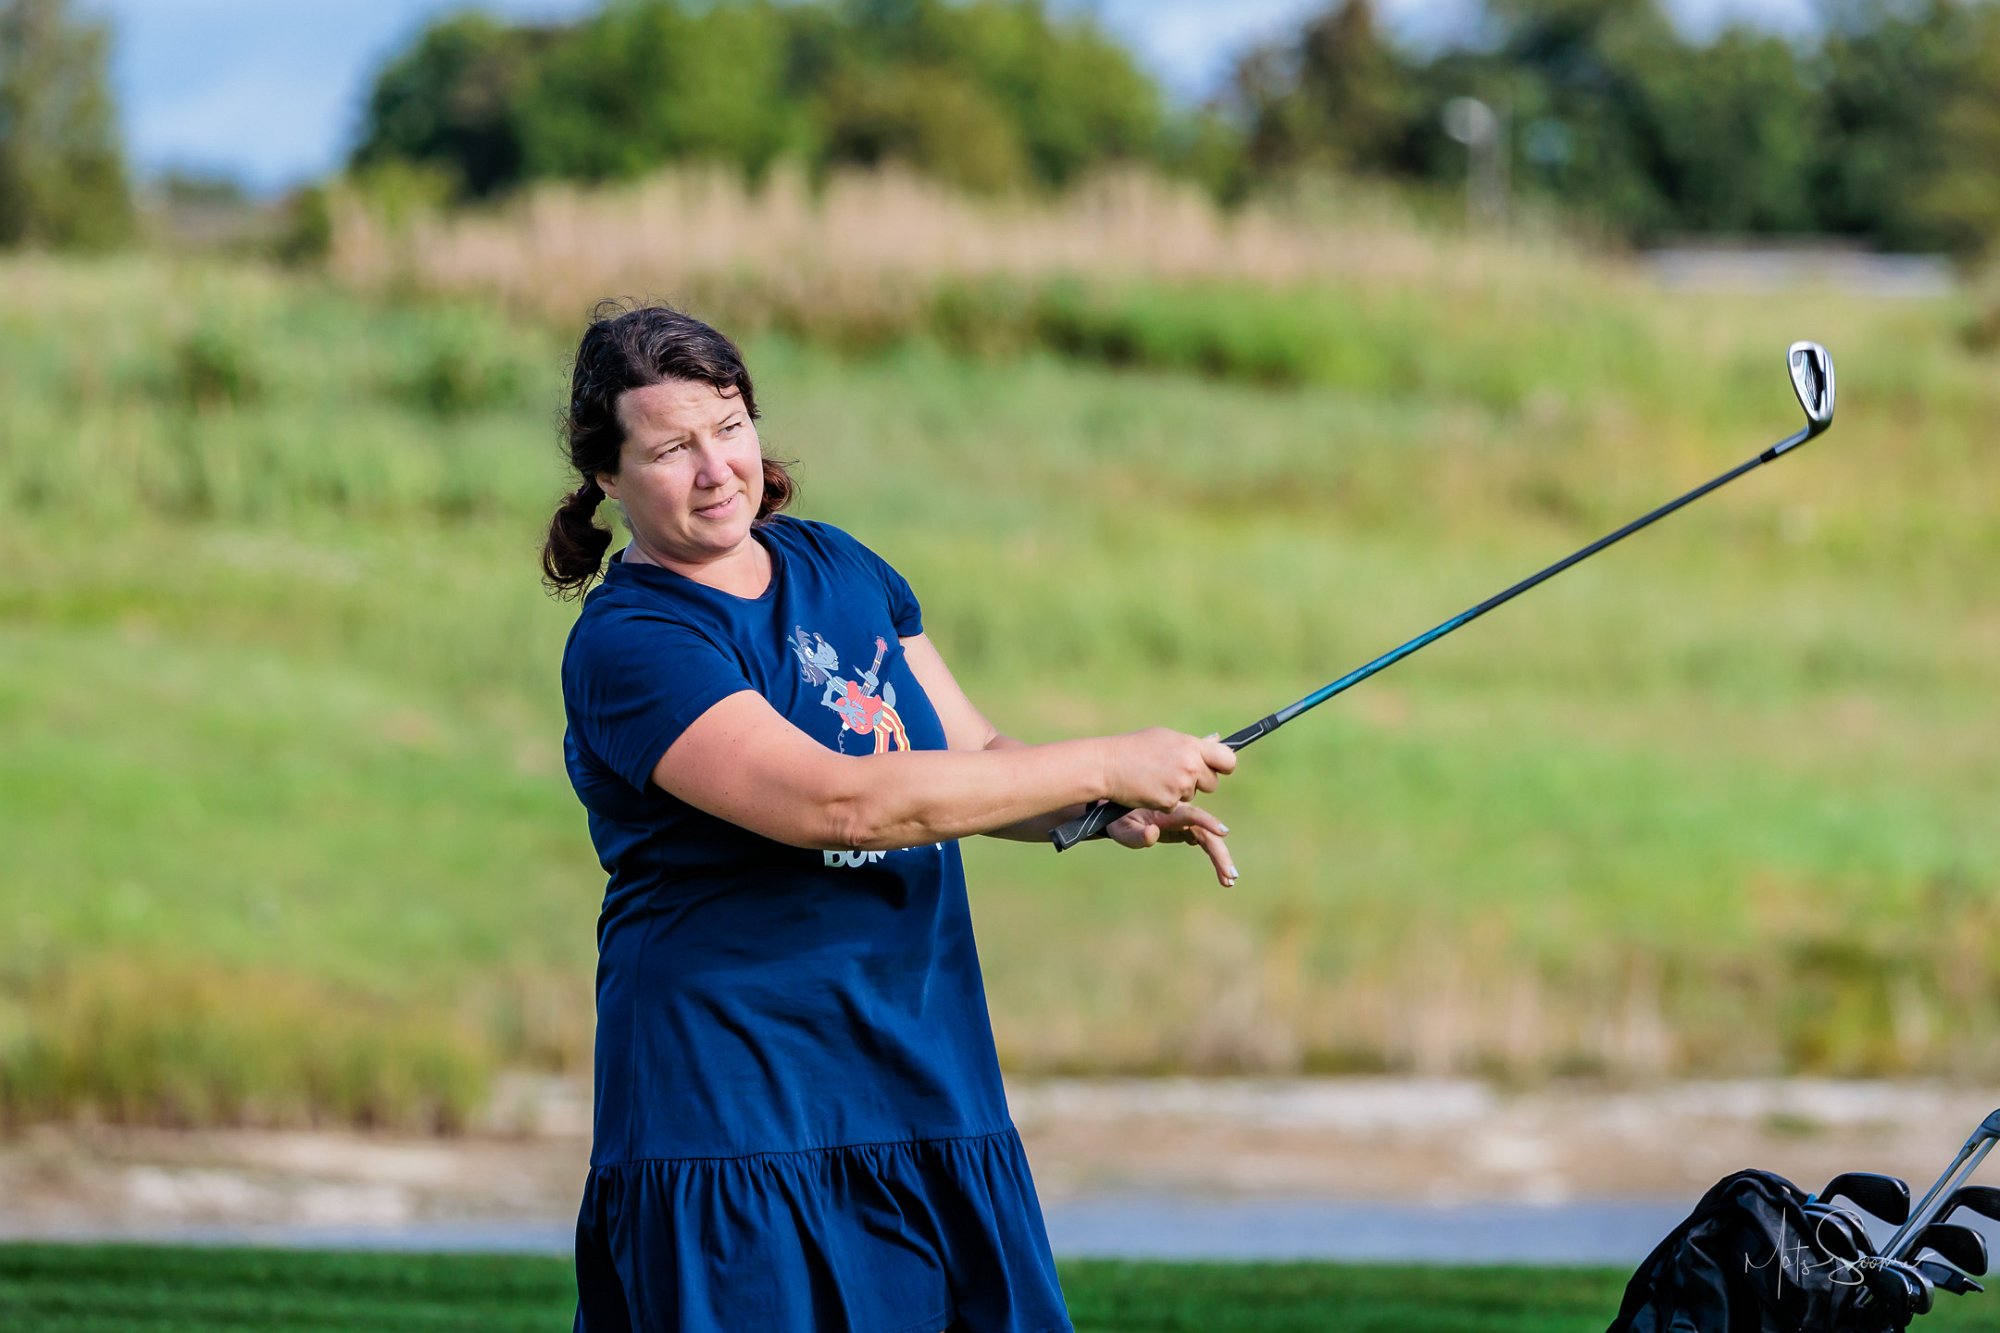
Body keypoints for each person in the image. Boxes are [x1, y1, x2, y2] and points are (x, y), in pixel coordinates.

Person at [541, 302, 1238, 1333]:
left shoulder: (842, 568)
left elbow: (968, 760)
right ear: (607, 474)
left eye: (728, 427)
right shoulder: (632, 644)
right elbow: (841, 801)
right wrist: (1102, 755)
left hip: (917, 1067)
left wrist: (1090, 807)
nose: (715, 469)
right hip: (734, 1103)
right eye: (671, 447)